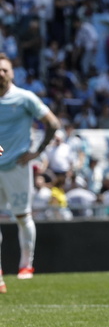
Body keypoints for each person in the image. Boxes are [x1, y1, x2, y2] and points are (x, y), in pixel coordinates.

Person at [0, 53, 61, 293]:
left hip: (17, 167)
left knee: (22, 217)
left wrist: (36, 152)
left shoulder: (24, 98)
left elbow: (53, 124)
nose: (1, 74)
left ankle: (26, 266)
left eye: (4, 70)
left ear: (12, 73)